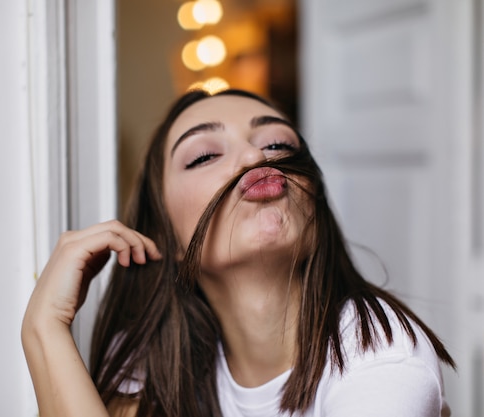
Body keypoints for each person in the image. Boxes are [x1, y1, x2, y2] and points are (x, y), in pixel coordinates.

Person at [22, 88, 455, 417]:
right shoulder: (151, 361)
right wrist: (44, 329)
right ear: (167, 236)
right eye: (205, 155)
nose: (254, 155)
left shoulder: (381, 352)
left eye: (278, 146)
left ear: (314, 198)